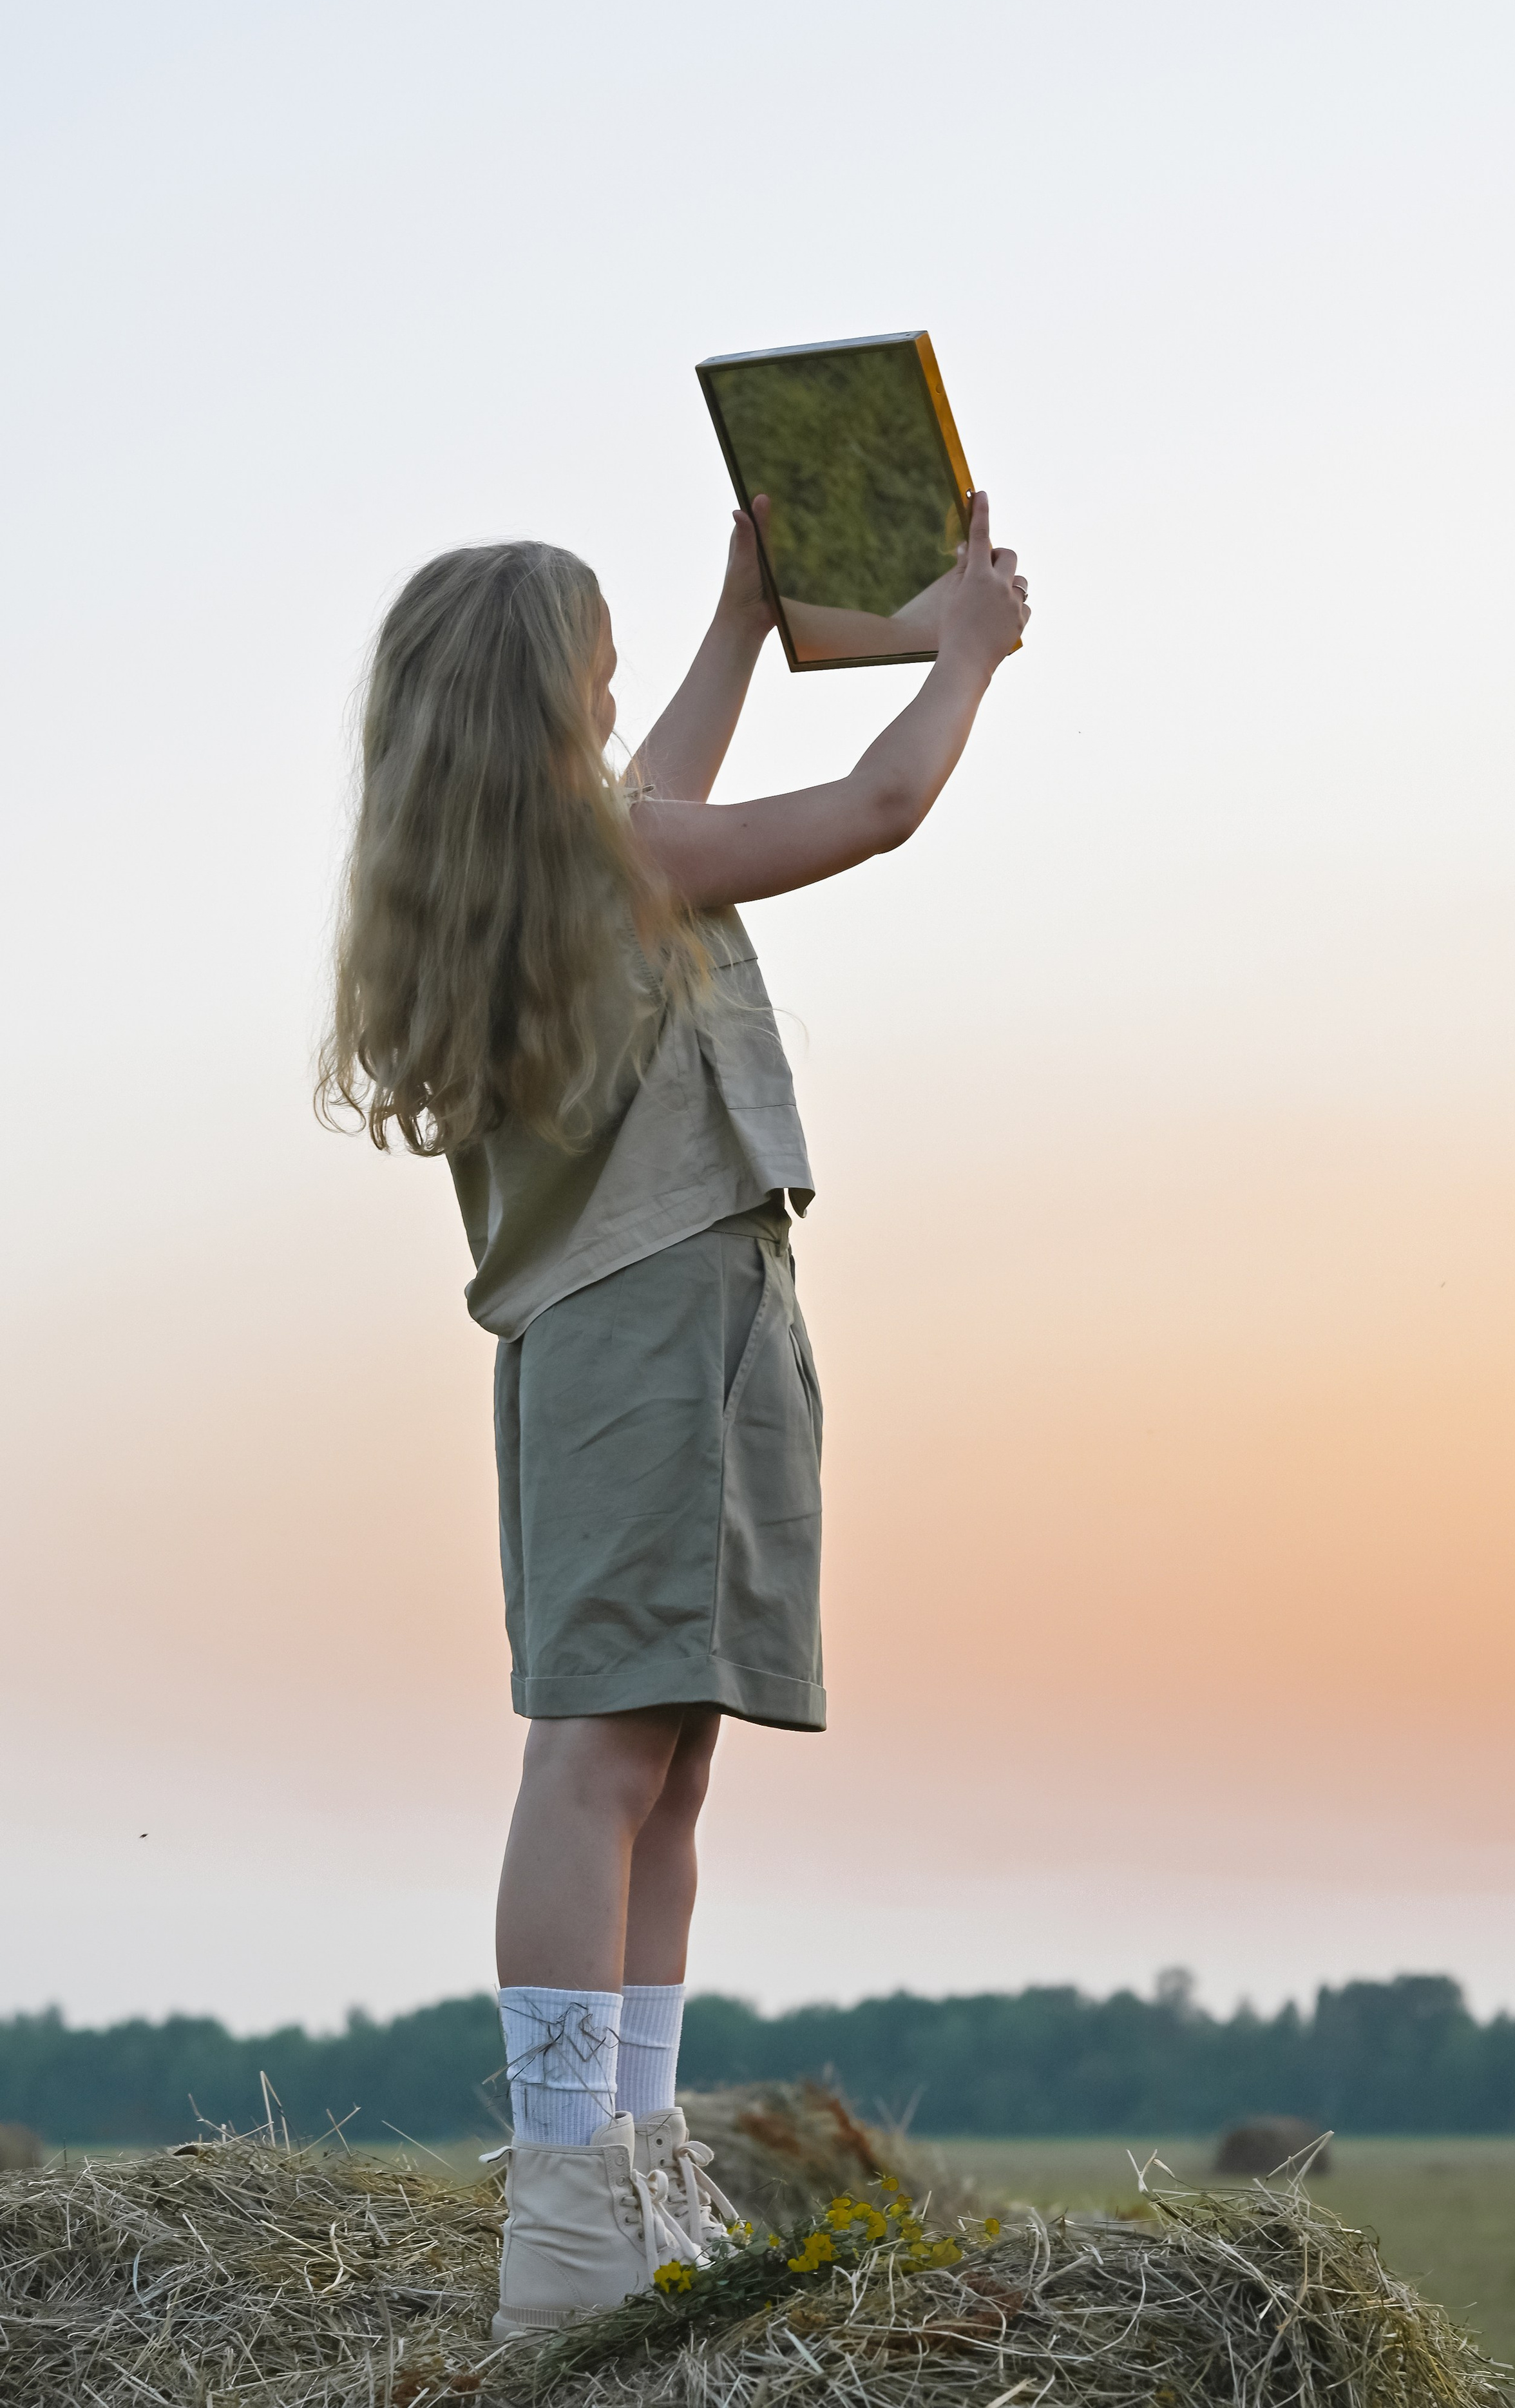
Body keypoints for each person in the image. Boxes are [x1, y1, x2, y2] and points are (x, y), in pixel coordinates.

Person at [319, 488, 1030, 2335]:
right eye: (606, 681)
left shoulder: (551, 864)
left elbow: (666, 786)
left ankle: (626, 2165)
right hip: (655, 1326)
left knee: (666, 1750)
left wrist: (733, 617)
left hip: (656, 1321)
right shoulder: (608, 868)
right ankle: (569, 2205)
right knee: (603, 1750)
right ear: (542, 709)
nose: (625, 713)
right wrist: (962, 658)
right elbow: (872, 807)